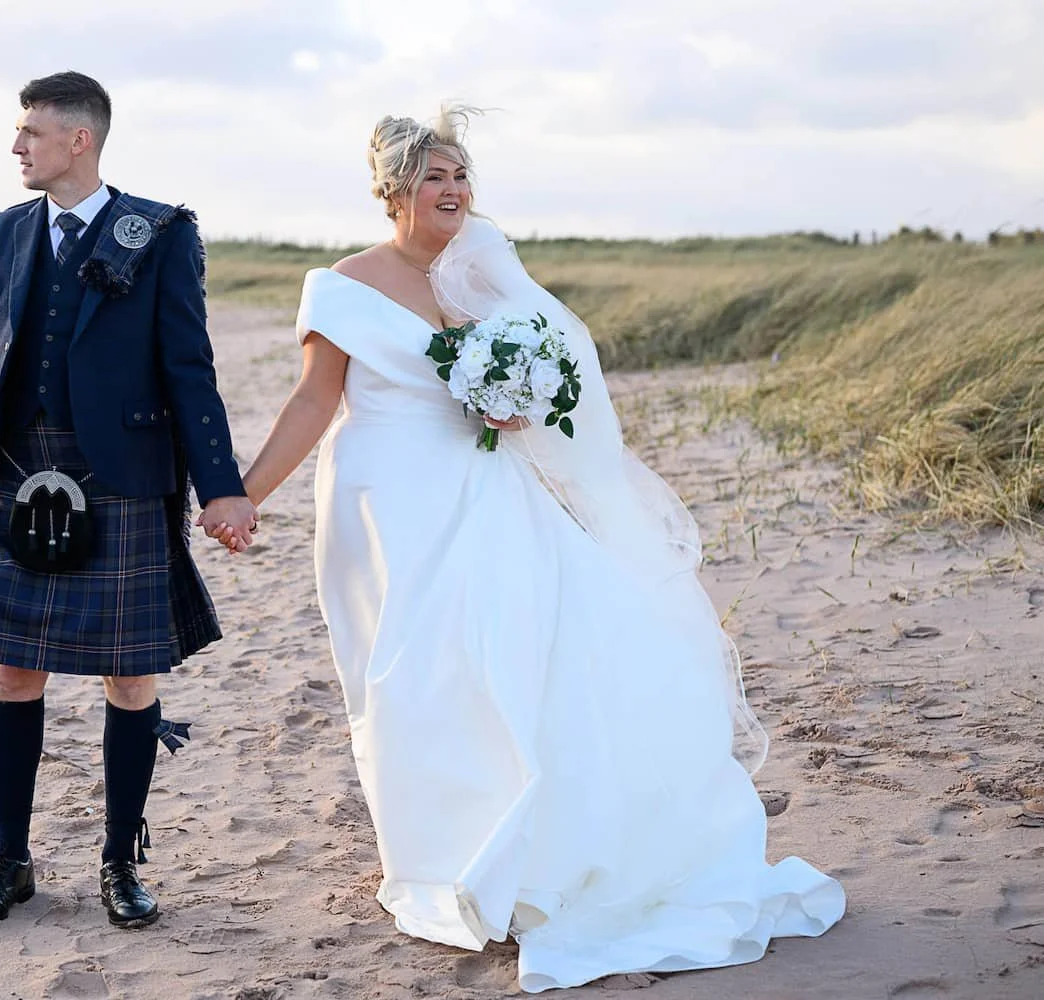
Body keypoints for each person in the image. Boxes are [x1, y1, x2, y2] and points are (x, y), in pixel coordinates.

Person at [224, 107, 845, 992]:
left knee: (513, 656)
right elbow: (313, 403)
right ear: (393, 188)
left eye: (462, 176)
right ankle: (444, 849)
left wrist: (510, 405)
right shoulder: (342, 286)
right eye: (435, 176)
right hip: (385, 498)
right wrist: (248, 495)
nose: (454, 191)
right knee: (409, 669)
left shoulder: (486, 279)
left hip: (483, 489)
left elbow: (545, 392)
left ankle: (524, 858)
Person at [0, 71, 257, 929]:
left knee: (129, 673)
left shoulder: (155, 232)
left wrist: (222, 487)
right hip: (17, 473)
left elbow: (191, 367)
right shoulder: (8, 233)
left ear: (79, 139)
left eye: (30, 132)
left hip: (121, 478)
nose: (16, 147)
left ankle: (121, 862)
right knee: (14, 669)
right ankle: (8, 860)